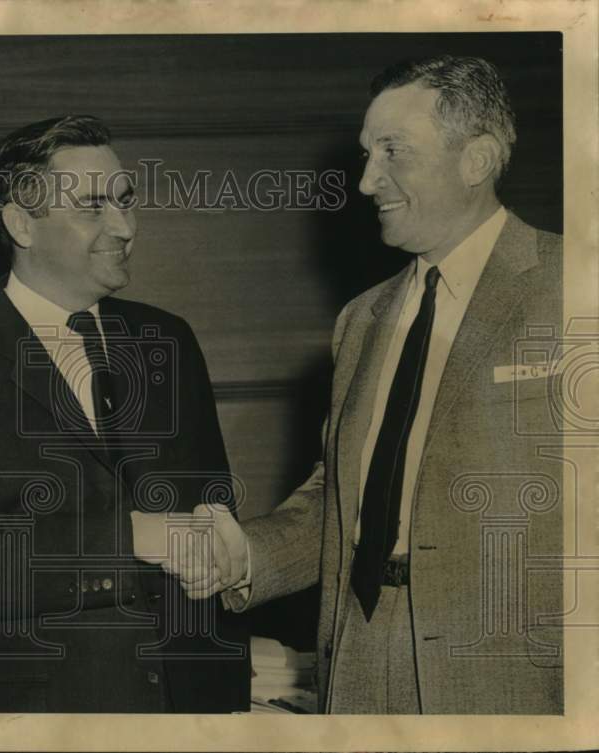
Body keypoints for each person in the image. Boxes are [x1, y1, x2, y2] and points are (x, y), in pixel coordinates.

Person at [175, 55, 564, 714]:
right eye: (366, 153)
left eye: (393, 152)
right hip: (358, 654)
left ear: (477, 160)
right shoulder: (361, 318)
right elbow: (346, 494)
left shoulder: (572, 284)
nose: (364, 181)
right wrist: (245, 552)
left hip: (510, 675)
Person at [0, 115, 250, 713]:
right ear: (21, 223)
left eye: (126, 201)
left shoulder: (170, 339)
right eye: (93, 208)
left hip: (191, 710)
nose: (125, 227)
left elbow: (211, 507)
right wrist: (132, 536)